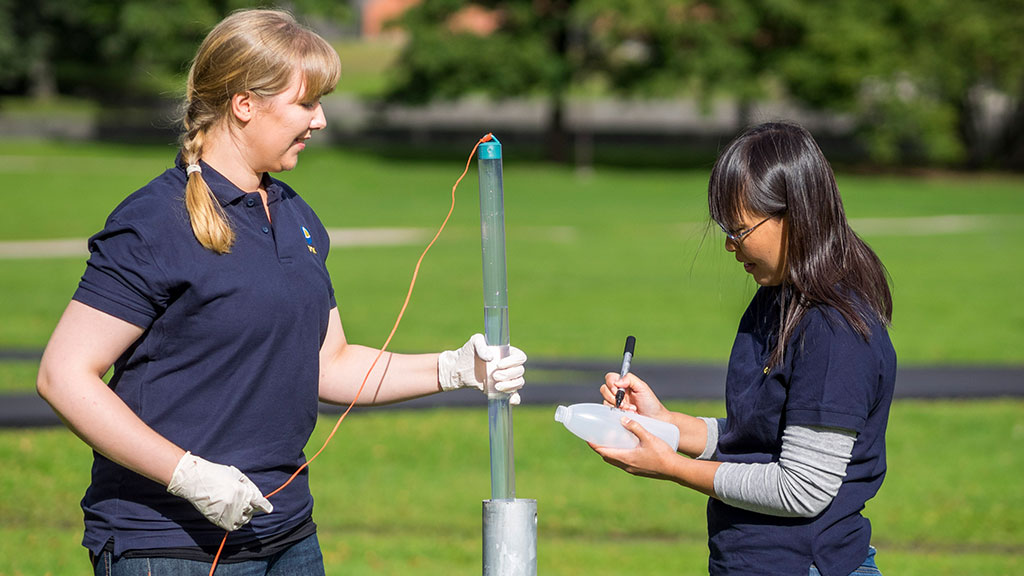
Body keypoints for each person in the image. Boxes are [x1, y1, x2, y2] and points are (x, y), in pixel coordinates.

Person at [35, 9, 526, 575]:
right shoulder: (154, 221)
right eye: (305, 103)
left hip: (289, 536)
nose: (319, 121)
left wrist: (454, 369)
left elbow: (331, 365)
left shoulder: (295, 214)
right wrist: (187, 474)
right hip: (169, 546)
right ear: (245, 104)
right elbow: (63, 376)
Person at [590, 122, 895, 575]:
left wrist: (671, 466)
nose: (730, 245)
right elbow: (762, 436)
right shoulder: (776, 296)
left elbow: (802, 487)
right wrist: (668, 423)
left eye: (739, 228)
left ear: (794, 214)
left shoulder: (835, 331)